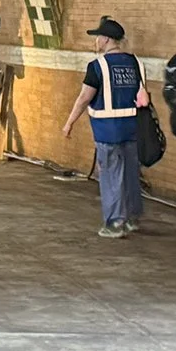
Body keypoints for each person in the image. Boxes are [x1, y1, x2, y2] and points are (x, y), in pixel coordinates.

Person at [63, 17, 149, 238]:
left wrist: (70, 122)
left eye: (98, 36)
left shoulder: (97, 66)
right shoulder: (136, 63)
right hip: (134, 128)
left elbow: (84, 98)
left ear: (107, 39)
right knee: (131, 173)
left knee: (111, 175)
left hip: (107, 130)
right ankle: (132, 218)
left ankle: (114, 222)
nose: (96, 40)